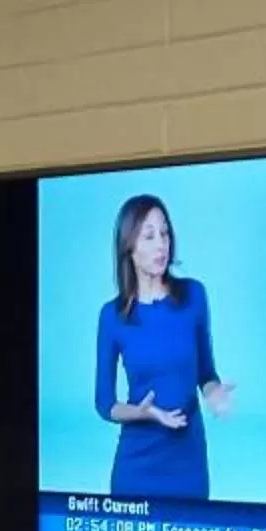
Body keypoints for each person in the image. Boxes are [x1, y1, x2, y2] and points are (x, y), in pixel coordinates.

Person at [93, 194, 236, 498]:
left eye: (165, 233)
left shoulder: (193, 295)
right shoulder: (112, 317)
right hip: (137, 461)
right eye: (149, 236)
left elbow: (205, 372)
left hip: (187, 460)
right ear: (129, 246)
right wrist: (143, 413)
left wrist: (215, 392)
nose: (161, 244)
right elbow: (104, 403)